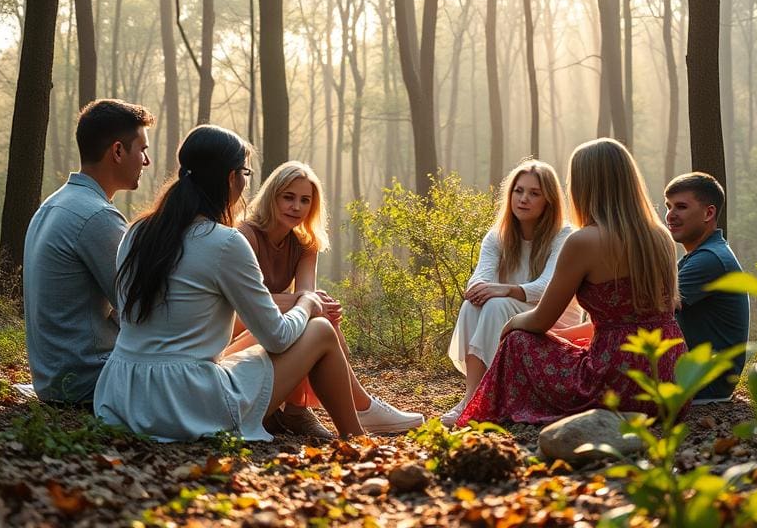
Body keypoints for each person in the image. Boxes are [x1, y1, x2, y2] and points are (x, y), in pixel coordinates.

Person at [94, 126, 365, 442]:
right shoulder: (224, 242)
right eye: (246, 172)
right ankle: (357, 438)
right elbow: (277, 338)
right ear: (231, 178)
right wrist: (306, 303)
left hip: (121, 393)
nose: (246, 182)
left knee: (250, 346)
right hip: (184, 402)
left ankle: (334, 419)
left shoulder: (137, 231)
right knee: (319, 330)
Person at [458, 138, 686, 426]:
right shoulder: (661, 236)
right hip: (671, 378)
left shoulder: (583, 241)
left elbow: (540, 321)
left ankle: (481, 406)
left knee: (518, 341)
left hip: (617, 380)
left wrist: (509, 325)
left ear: (584, 186)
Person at [234, 161, 424, 437]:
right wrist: (307, 302)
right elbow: (240, 308)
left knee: (316, 315)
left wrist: (312, 304)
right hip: (237, 336)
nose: (296, 207)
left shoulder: (305, 244)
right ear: (271, 197)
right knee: (312, 313)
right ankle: (359, 407)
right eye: (288, 197)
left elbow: (307, 295)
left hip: (275, 328)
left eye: (305, 200)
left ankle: (299, 411)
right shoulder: (245, 235)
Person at [23, 99, 154, 404]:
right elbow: (141, 305)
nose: (146, 161)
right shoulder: (96, 216)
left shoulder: (53, 204)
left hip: (53, 378)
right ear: (118, 152)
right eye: (142, 149)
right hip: (89, 380)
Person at [440, 159, 583, 426]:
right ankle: (473, 397)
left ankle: (481, 400)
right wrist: (486, 289)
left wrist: (504, 289)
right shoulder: (498, 236)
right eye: (518, 191)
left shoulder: (563, 235)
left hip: (553, 318)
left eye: (534, 193)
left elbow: (547, 289)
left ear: (548, 201)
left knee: (495, 305)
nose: (524, 199)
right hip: (510, 314)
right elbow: (477, 284)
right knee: (474, 305)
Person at [665, 172, 748, 402]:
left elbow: (649, 312)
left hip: (705, 385)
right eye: (668, 206)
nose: (670, 215)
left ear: (708, 212)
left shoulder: (710, 260)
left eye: (681, 207)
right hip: (697, 376)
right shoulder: (701, 255)